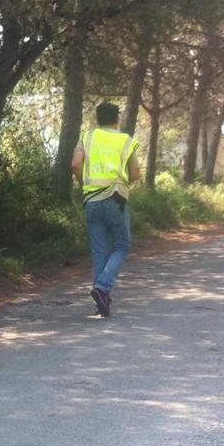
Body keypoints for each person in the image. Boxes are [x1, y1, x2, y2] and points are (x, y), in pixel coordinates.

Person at [71, 102, 141, 318]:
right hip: (116, 199)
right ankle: (102, 287)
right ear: (117, 118)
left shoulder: (87, 137)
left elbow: (75, 164)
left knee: (100, 251)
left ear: (97, 119)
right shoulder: (125, 141)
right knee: (121, 246)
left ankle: (101, 303)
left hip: (91, 201)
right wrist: (124, 182)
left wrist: (86, 183)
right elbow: (136, 173)